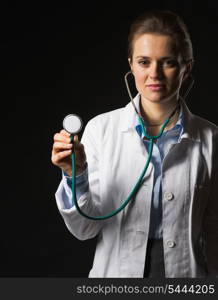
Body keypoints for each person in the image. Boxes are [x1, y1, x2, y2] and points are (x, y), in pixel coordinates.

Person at [51, 10, 218, 278]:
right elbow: (84, 229)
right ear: (131, 64)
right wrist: (75, 174)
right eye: (143, 62)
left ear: (187, 67)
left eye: (168, 62)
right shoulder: (100, 130)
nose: (155, 74)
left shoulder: (211, 139)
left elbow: (214, 232)